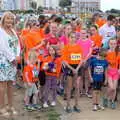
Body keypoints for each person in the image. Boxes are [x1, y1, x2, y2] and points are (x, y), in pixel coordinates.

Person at [0, 12, 20, 116]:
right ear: (3, 19)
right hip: (3, 62)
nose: (9, 21)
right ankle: (2, 107)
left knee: (10, 85)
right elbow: (3, 47)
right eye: (7, 18)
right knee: (2, 86)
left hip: (13, 62)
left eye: (11, 19)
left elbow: (17, 44)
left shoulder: (13, 30)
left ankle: (10, 105)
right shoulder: (1, 31)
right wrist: (12, 58)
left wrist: (17, 55)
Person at [62, 32, 83, 113]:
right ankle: (68, 105)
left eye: (74, 37)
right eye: (71, 37)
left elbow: (81, 59)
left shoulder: (78, 47)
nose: (73, 39)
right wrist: (72, 69)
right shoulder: (66, 47)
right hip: (69, 67)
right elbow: (65, 61)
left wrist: (77, 68)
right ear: (68, 38)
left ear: (76, 38)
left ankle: (76, 105)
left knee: (77, 87)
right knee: (69, 87)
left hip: (77, 67)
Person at [77, 28, 93, 97]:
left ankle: (86, 91)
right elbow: (77, 51)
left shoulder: (89, 41)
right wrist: (81, 59)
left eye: (84, 33)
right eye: (81, 33)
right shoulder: (78, 41)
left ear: (86, 34)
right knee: (81, 76)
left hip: (87, 60)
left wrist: (85, 59)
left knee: (86, 76)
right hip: (80, 60)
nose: (82, 34)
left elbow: (90, 51)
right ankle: (80, 91)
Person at [105, 38, 120, 109]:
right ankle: (105, 98)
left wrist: (119, 69)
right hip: (109, 72)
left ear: (116, 44)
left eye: (114, 44)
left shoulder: (118, 52)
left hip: (116, 72)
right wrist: (108, 67)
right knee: (111, 87)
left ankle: (112, 101)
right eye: (111, 44)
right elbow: (105, 62)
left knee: (114, 88)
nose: (113, 45)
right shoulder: (107, 53)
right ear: (109, 44)